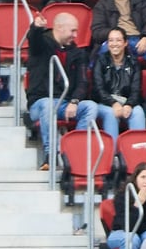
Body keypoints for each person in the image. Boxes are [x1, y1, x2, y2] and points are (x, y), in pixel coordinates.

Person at [26, 12, 98, 163]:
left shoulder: (78, 53)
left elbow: (82, 82)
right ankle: (50, 154)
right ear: (59, 27)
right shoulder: (42, 44)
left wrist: (75, 101)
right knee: (48, 104)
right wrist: (36, 28)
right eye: (73, 30)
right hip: (40, 103)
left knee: (90, 107)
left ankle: (75, 151)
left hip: (65, 103)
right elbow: (33, 40)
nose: (75, 35)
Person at [92, 28, 146, 140]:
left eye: (118, 40)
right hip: (105, 103)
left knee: (138, 112)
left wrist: (129, 104)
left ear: (125, 43)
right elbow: (99, 89)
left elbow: (136, 90)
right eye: (111, 40)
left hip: (127, 102)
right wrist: (113, 103)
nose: (114, 44)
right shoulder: (100, 61)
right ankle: (113, 150)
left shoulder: (134, 62)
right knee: (110, 113)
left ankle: (138, 149)